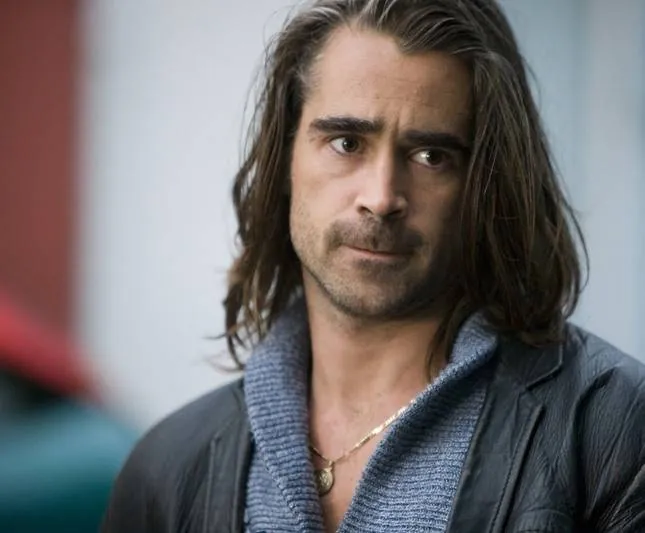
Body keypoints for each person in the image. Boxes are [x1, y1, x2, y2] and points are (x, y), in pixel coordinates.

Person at [101, 0, 645, 531]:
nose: (382, 197)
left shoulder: (613, 432)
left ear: (486, 182)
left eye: (431, 156)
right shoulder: (167, 471)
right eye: (346, 143)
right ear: (285, 158)